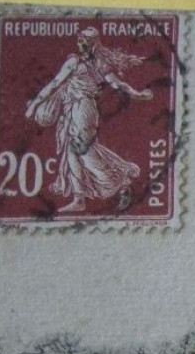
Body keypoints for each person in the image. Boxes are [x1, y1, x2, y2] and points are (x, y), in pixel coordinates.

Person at [24, 27, 154, 214]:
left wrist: (137, 94)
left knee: (83, 152)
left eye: (84, 41)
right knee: (73, 153)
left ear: (93, 44)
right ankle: (79, 199)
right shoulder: (80, 62)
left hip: (82, 111)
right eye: (79, 41)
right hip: (76, 111)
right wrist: (34, 105)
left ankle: (119, 184)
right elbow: (57, 84)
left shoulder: (88, 63)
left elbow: (116, 83)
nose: (80, 44)